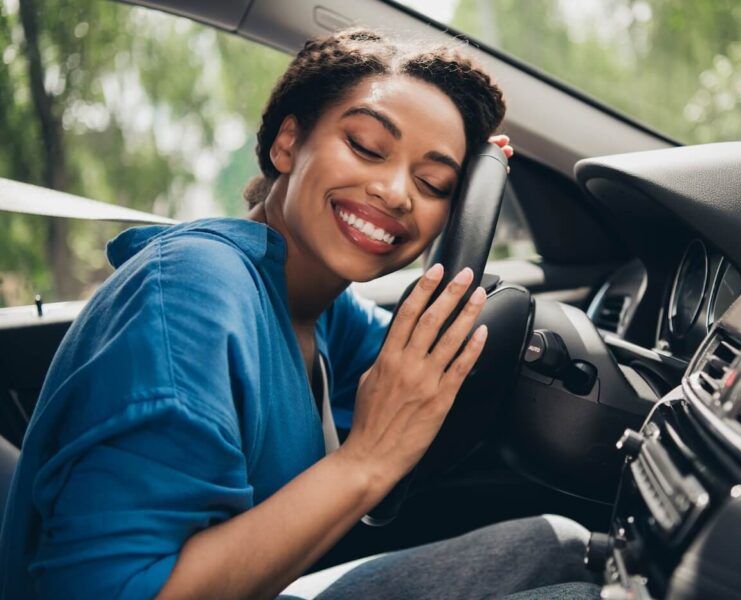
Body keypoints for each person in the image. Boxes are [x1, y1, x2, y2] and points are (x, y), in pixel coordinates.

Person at [0, 29, 602, 599]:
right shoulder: (193, 299)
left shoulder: (318, 305)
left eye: (435, 182)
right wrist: (367, 460)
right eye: (366, 147)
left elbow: (411, 370)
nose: (396, 192)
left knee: (563, 546)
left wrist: (480, 194)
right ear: (287, 143)